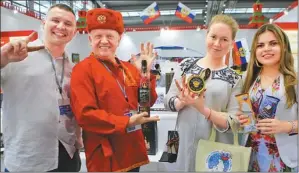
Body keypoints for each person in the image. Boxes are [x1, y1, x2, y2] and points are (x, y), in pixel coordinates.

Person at [70, 8, 160, 172]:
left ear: (119, 39)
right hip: (105, 156)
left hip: (132, 150)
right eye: (98, 36)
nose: (104, 41)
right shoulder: (82, 70)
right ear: (90, 39)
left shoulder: (129, 68)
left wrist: (145, 74)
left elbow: (147, 102)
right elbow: (85, 115)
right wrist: (126, 122)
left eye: (110, 36)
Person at [1, 4, 82, 172]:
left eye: (68, 24)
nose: (61, 27)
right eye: (55, 20)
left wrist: (79, 135)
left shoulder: (73, 69)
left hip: (68, 154)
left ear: (74, 33)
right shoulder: (16, 57)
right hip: (28, 157)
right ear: (43, 24)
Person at [164, 14, 242, 171]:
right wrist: (181, 102)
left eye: (224, 39)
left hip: (214, 149)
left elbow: (235, 121)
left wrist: (203, 109)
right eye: (213, 36)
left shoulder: (234, 78)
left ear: (231, 43)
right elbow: (168, 101)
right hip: (182, 142)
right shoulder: (186, 65)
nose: (217, 44)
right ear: (206, 36)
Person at [237, 23, 298, 172]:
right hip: (250, 157)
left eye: (273, 43)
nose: (266, 49)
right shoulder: (247, 78)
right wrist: (241, 119)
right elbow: (244, 114)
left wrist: (287, 126)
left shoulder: (294, 79)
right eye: (260, 45)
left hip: (284, 159)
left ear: (284, 46)